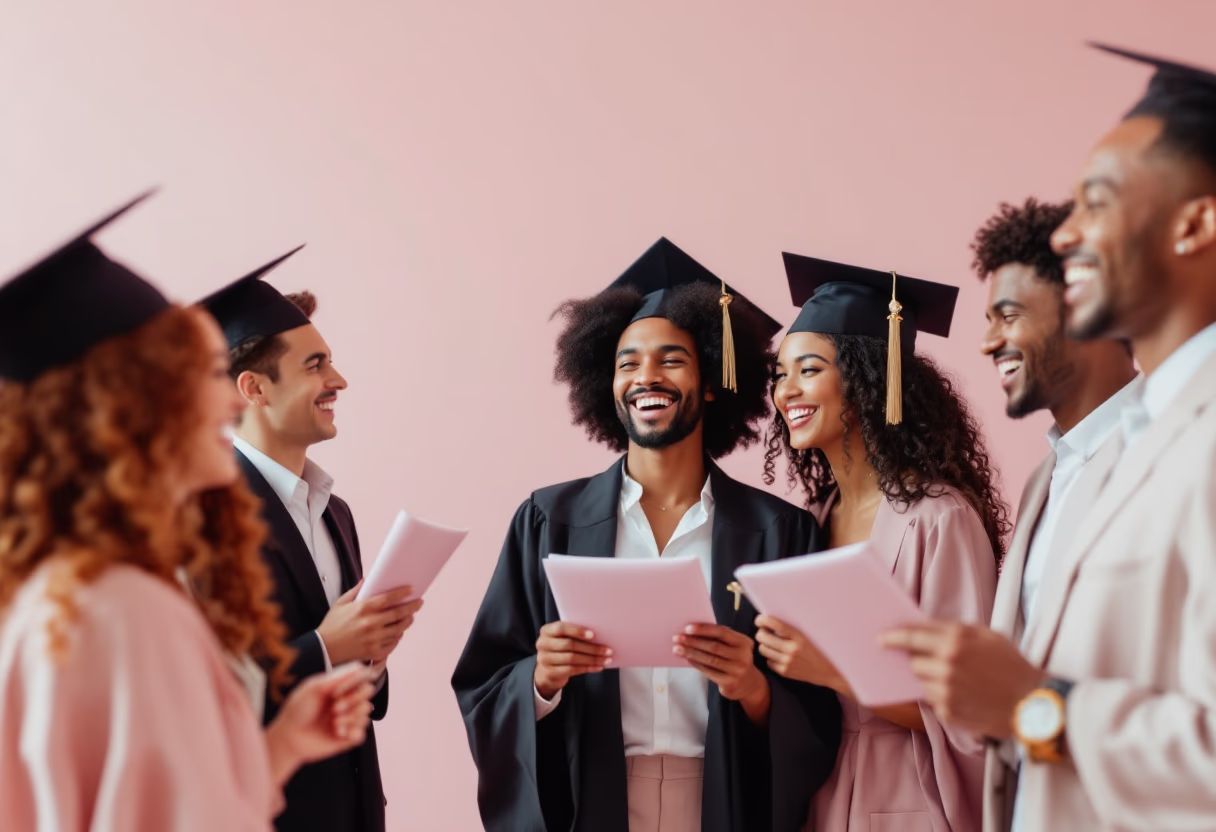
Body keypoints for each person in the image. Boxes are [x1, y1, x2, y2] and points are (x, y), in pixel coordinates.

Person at [883, 44, 1216, 830]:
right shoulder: (1113, 452)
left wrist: (1036, 706)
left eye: (1097, 202)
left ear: (1196, 221)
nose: (1067, 238)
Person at [0, 195, 376, 831]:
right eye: (205, 372)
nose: (228, 403)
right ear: (132, 405)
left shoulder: (63, 595)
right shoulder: (126, 610)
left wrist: (281, 746)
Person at [452, 238, 843, 832]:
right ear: (605, 386)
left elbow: (822, 710)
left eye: (671, 359)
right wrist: (542, 677)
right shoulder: (548, 520)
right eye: (627, 363)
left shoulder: (777, 532)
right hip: (595, 802)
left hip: (720, 801)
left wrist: (754, 690)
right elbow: (483, 683)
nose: (646, 377)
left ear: (711, 381)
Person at [757, 253, 1005, 832]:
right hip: (821, 790)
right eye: (779, 375)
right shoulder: (812, 519)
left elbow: (972, 708)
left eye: (809, 370)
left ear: (870, 377)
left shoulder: (939, 520)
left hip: (910, 795)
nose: (785, 391)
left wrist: (836, 671)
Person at [201, 251, 419, 832]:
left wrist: (371, 653)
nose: (338, 381)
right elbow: (204, 694)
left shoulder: (335, 512)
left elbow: (365, 702)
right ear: (254, 388)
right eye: (315, 365)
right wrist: (325, 647)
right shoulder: (201, 516)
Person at [971, 197, 1138, 830]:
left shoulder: (1179, 458)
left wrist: (1023, 704)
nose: (989, 342)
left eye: (1007, 315)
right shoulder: (1045, 479)